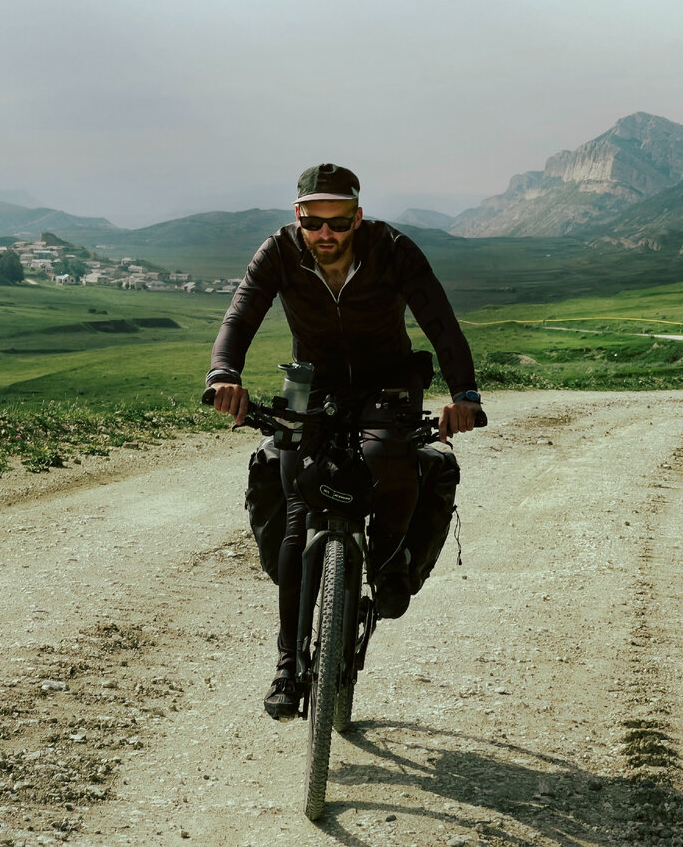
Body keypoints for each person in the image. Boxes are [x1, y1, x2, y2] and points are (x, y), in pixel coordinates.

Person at [205, 163, 483, 720]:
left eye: (338, 222)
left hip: (388, 381)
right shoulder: (279, 252)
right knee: (294, 500)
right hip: (313, 382)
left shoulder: (393, 248)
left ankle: (389, 567)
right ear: (298, 216)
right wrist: (223, 375)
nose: (325, 234)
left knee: (391, 456)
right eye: (314, 222)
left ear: (357, 216)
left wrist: (464, 393)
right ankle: (288, 664)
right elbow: (241, 314)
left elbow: (440, 321)